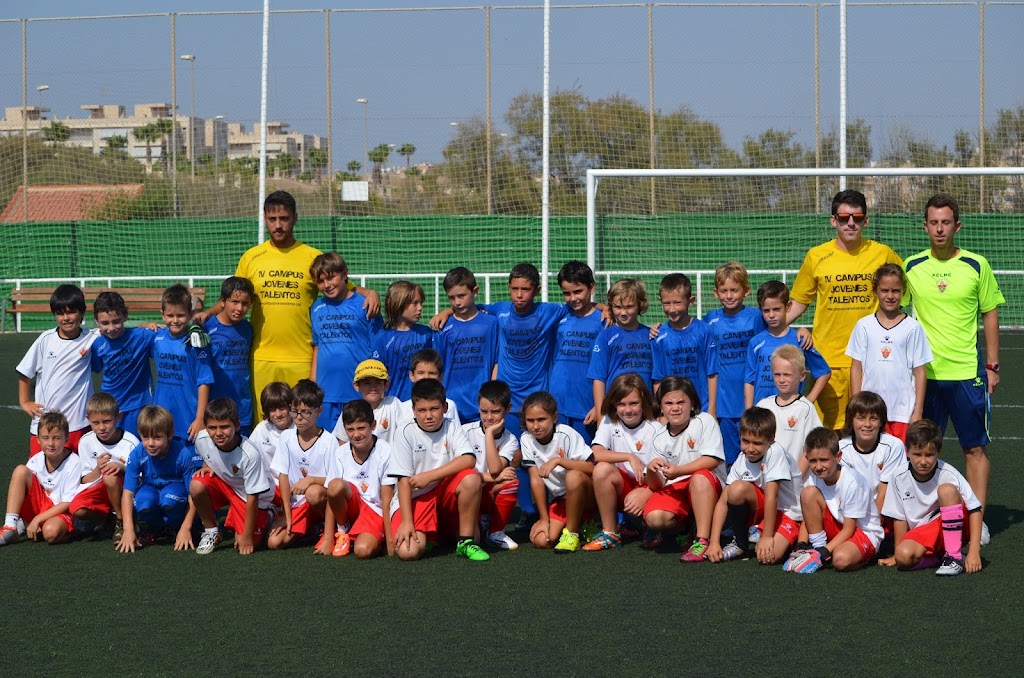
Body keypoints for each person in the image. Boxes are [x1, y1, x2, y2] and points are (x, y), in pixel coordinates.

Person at [197, 191, 379, 421]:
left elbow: (347, 288)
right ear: (264, 219)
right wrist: (207, 313)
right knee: (264, 424)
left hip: (301, 357)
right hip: (261, 356)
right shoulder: (251, 257)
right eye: (273, 219)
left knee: (301, 423)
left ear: (295, 218)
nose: (278, 225)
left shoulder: (311, 256)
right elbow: (233, 296)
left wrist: (370, 292)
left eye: (284, 218)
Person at [904, 193, 1004, 545]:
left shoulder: (977, 265)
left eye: (946, 222)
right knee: (922, 448)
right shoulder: (912, 267)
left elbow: (990, 313)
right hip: (925, 377)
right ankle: (929, 515)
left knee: (974, 448)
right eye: (934, 222)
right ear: (925, 226)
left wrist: (991, 365)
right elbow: (894, 313)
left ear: (957, 226)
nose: (940, 228)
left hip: (967, 373)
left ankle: (977, 517)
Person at [788, 189, 903, 431]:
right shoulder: (816, 256)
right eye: (843, 217)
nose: (850, 223)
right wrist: (775, 327)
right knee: (829, 434)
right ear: (833, 220)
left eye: (857, 217)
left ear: (866, 220)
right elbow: (799, 301)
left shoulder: (883, 254)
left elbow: (905, 292)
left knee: (872, 431)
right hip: (830, 363)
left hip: (874, 360)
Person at [387, 378, 489, 561]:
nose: (428, 415)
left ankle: (466, 543)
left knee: (472, 478)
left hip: (444, 493)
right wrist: (407, 522)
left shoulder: (452, 425)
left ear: (445, 407)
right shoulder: (404, 431)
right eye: (422, 410)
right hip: (416, 499)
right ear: (413, 410)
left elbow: (469, 459)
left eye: (434, 408)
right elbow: (403, 482)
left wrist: (430, 476)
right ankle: (434, 536)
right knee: (407, 552)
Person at [880, 419, 983, 576]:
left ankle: (954, 557)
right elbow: (898, 517)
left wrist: (974, 551)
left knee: (947, 490)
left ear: (939, 452)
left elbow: (975, 509)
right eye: (917, 454)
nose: (923, 461)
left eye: (929, 455)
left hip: (953, 528)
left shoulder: (948, 473)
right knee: (903, 556)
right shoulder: (898, 475)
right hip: (922, 533)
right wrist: (896, 554)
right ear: (907, 452)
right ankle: (940, 558)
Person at [643, 377, 726, 562]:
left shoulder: (705, 421)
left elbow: (712, 460)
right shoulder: (658, 435)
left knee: (699, 477)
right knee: (655, 518)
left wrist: (680, 470)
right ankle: (686, 527)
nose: (675, 408)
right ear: (661, 407)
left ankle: (702, 540)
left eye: (681, 402)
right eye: (669, 403)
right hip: (677, 486)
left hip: (708, 486)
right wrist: (650, 470)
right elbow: (655, 485)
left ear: (692, 404)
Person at [846, 264, 932, 442]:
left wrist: (918, 410)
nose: (890, 296)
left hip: (903, 411)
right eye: (884, 290)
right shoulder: (864, 325)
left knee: (900, 462)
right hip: (871, 412)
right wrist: (856, 404)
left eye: (896, 291)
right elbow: (856, 367)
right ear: (875, 291)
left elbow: (920, 371)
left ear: (903, 291)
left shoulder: (913, 327)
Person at [706, 407, 801, 564]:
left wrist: (767, 537)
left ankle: (785, 537)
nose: (750, 449)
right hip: (769, 510)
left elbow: (772, 495)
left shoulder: (775, 452)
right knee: (736, 489)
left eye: (757, 443)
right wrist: (714, 542)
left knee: (768, 557)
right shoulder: (742, 458)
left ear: (771, 439)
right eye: (746, 441)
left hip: (789, 513)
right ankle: (741, 543)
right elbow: (723, 501)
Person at [783, 427, 882, 574]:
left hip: (863, 531)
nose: (818, 466)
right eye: (813, 461)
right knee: (808, 493)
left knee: (840, 560)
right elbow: (808, 515)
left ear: (838, 456)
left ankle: (860, 556)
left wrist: (825, 551)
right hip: (839, 526)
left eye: (824, 460)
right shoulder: (814, 476)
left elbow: (850, 528)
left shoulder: (853, 482)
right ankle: (817, 547)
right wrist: (801, 543)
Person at [188, 398, 276, 556]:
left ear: (237, 425)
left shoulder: (249, 454)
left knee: (245, 543)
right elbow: (207, 455)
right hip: (227, 485)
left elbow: (253, 497)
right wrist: (206, 466)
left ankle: (270, 514)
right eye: (212, 428)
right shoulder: (202, 439)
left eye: (225, 427)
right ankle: (211, 531)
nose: (218, 433)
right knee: (196, 484)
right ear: (206, 428)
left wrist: (248, 536)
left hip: (252, 497)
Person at [17, 284, 96, 454]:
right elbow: (25, 371)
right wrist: (25, 402)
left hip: (78, 423)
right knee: (38, 473)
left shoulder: (92, 336)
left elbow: (115, 329)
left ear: (82, 312)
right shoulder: (46, 340)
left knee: (77, 473)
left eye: (71, 312)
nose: (66, 318)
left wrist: (144, 326)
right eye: (60, 313)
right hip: (45, 423)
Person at [583, 373, 659, 551]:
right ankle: (610, 532)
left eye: (634, 403)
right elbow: (596, 453)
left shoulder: (655, 427)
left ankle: (652, 528)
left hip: (650, 486)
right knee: (601, 470)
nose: (628, 409)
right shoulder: (610, 422)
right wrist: (629, 457)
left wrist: (647, 493)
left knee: (658, 517)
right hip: (624, 487)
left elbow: (664, 471)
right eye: (621, 404)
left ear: (644, 403)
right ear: (614, 404)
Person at [309, 252, 383, 429]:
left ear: (344, 274)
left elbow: (377, 344)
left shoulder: (365, 304)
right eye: (320, 281)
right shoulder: (316, 308)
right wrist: (313, 382)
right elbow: (317, 346)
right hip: (326, 393)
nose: (327, 285)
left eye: (331, 277)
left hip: (357, 391)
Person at [704, 261, 767, 465]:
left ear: (746, 291)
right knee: (731, 458)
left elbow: (777, 333)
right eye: (724, 291)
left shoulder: (757, 317)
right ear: (716, 293)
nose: (729, 296)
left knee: (759, 453)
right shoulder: (710, 320)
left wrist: (801, 331)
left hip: (752, 398)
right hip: (724, 403)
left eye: (734, 290)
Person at [519, 391, 596, 553]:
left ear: (554, 418)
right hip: (561, 500)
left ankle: (574, 532)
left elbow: (591, 468)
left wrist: (559, 461)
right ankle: (579, 525)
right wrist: (544, 519)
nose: (536, 426)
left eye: (541, 419)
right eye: (530, 420)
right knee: (542, 540)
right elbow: (536, 480)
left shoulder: (566, 434)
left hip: (587, 494)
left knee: (573, 476)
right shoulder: (526, 439)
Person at [319, 400, 396, 558]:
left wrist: (390, 542)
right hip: (352, 508)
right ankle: (343, 532)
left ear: (373, 425)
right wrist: (328, 539)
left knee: (362, 551)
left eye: (361, 428)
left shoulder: (386, 451)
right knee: (335, 486)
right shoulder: (340, 453)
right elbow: (331, 496)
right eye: (350, 429)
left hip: (376, 511)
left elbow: (387, 500)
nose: (356, 434)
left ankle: (375, 538)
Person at [116, 405, 196, 553]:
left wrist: (186, 527)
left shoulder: (183, 454)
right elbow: (127, 493)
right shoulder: (137, 454)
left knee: (168, 499)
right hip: (150, 488)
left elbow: (193, 495)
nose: (151, 443)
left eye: (157, 437)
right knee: (143, 500)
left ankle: (176, 527)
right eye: (145, 437)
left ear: (170, 434)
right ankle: (154, 528)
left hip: (174, 490)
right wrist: (128, 529)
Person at [267, 379, 332, 551]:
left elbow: (335, 480)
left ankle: (328, 527)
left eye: (305, 412)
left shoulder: (329, 441)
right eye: (294, 411)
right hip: (297, 504)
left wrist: (311, 479)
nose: (299, 417)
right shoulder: (286, 437)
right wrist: (286, 515)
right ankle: (310, 529)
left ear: (319, 411)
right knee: (274, 542)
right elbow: (282, 475)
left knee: (314, 492)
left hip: (318, 500)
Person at [0, 411, 82, 546]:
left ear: (67, 439)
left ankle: (70, 531)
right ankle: (10, 527)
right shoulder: (36, 460)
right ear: (38, 439)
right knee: (21, 470)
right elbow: (24, 489)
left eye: (56, 438)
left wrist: (37, 519)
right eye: (45, 438)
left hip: (60, 511)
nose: (50, 443)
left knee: (50, 532)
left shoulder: (74, 463)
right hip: (41, 507)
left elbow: (67, 503)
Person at [744, 280, 830, 408]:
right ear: (760, 310)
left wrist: (808, 402)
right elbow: (749, 381)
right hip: (762, 413)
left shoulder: (800, 339)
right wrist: (749, 411)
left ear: (788, 306)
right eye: (766, 311)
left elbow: (824, 372)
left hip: (791, 413)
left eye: (777, 309)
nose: (771, 315)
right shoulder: (755, 342)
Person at [432, 267, 499, 429]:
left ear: (475, 291)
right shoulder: (442, 327)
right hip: (450, 406)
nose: (457, 302)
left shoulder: (491, 323)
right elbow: (436, 367)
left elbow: (496, 362)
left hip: (481, 407)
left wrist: (492, 396)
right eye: (451, 298)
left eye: (462, 296)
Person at [151, 284, 214, 454]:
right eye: (170, 315)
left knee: (189, 468)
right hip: (161, 417)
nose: (175, 320)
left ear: (190, 314)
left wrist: (200, 418)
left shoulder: (197, 342)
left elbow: (204, 381)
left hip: (189, 419)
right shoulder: (156, 337)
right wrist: (145, 325)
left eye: (180, 315)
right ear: (162, 315)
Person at [68, 393, 140, 541]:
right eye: (96, 423)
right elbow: (85, 480)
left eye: (107, 421)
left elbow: (141, 478)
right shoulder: (86, 441)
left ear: (118, 417)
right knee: (77, 509)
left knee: (110, 476)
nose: (102, 428)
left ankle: (121, 521)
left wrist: (122, 468)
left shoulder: (131, 442)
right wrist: (97, 469)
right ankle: (108, 519)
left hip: (125, 490)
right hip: (99, 488)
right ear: (88, 420)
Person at [549, 260, 604, 444]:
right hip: (558, 403)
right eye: (567, 293)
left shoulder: (604, 321)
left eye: (578, 291)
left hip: (587, 405)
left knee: (586, 464)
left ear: (591, 288)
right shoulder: (560, 316)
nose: (572, 298)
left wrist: (599, 406)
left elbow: (608, 367)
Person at [462, 380, 521, 550]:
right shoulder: (465, 431)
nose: (489, 417)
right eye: (483, 411)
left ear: (508, 408)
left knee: (511, 481)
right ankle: (479, 521)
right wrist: (489, 477)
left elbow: (495, 468)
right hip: (467, 492)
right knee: (471, 538)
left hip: (488, 489)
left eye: (496, 412)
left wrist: (488, 435)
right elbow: (461, 473)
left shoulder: (510, 439)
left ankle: (495, 531)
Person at [90, 290, 156, 437]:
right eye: (105, 323)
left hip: (139, 406)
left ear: (125, 316)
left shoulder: (143, 336)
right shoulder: (96, 344)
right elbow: (95, 367)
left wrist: (147, 325)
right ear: (96, 321)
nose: (111, 328)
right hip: (110, 409)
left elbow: (169, 335)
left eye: (116, 321)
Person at [652, 273, 719, 416]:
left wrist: (712, 409)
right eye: (666, 303)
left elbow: (712, 373)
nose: (672, 309)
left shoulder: (704, 330)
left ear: (691, 301)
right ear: (660, 301)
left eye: (677, 302)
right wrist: (662, 412)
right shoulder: (658, 336)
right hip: (673, 411)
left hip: (702, 408)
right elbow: (658, 378)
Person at [756, 345, 822, 485]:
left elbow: (810, 450)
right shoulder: (763, 405)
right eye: (777, 374)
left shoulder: (806, 409)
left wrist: (795, 479)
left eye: (787, 375)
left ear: (802, 375)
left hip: (794, 485)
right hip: (765, 479)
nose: (781, 379)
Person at [588, 278, 653, 416]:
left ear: (640, 305)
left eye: (629, 307)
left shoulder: (651, 335)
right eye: (618, 307)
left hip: (645, 409)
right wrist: (600, 415)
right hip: (616, 410)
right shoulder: (605, 336)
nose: (623, 313)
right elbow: (598, 378)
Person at [837, 391, 906, 514]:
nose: (867, 424)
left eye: (873, 418)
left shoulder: (893, 446)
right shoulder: (841, 449)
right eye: (861, 418)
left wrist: (874, 521)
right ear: (851, 421)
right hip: (852, 510)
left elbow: (886, 490)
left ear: (881, 422)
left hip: (884, 512)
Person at [204, 276, 256, 434]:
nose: (240, 308)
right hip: (215, 408)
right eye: (234, 302)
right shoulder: (207, 328)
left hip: (243, 409)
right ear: (222, 301)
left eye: (245, 303)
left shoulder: (248, 328)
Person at [371, 280, 433, 402]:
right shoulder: (383, 338)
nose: (420, 308)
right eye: (415, 303)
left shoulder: (426, 334)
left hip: (423, 402)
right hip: (394, 403)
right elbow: (378, 376)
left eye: (421, 303)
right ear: (399, 303)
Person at [333, 359, 404, 444]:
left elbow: (405, 432)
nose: (373, 387)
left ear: (386, 385)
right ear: (356, 386)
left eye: (378, 383)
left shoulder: (393, 404)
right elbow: (343, 441)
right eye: (367, 383)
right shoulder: (350, 410)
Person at [397, 349, 461, 426]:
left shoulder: (450, 405)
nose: (426, 377)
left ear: (441, 376)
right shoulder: (402, 408)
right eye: (421, 373)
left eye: (432, 373)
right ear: (412, 375)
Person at [247, 382, 295, 474]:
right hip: (268, 483)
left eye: (282, 408)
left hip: (294, 484)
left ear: (291, 407)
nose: (278, 414)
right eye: (272, 410)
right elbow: (247, 455)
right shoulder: (262, 428)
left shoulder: (300, 428)